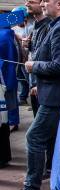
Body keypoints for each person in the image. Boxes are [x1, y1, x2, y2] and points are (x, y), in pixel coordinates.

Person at [0, 0, 60, 190]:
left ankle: (31, 189)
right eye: (42, 1)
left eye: (46, 0)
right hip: (53, 93)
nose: (43, 4)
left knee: (33, 137)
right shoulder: (57, 24)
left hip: (57, 95)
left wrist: (34, 65)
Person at [22, 0, 53, 176]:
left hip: (42, 86)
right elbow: (38, 52)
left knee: (39, 132)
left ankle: (47, 168)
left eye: (31, 2)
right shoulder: (36, 25)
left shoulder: (49, 26)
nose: (28, 5)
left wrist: (37, 84)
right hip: (36, 84)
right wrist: (28, 45)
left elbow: (50, 59)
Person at [0, 27, 19, 168]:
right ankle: (4, 156)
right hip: (7, 81)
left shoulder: (4, 35)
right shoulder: (6, 33)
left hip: (4, 82)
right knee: (3, 121)